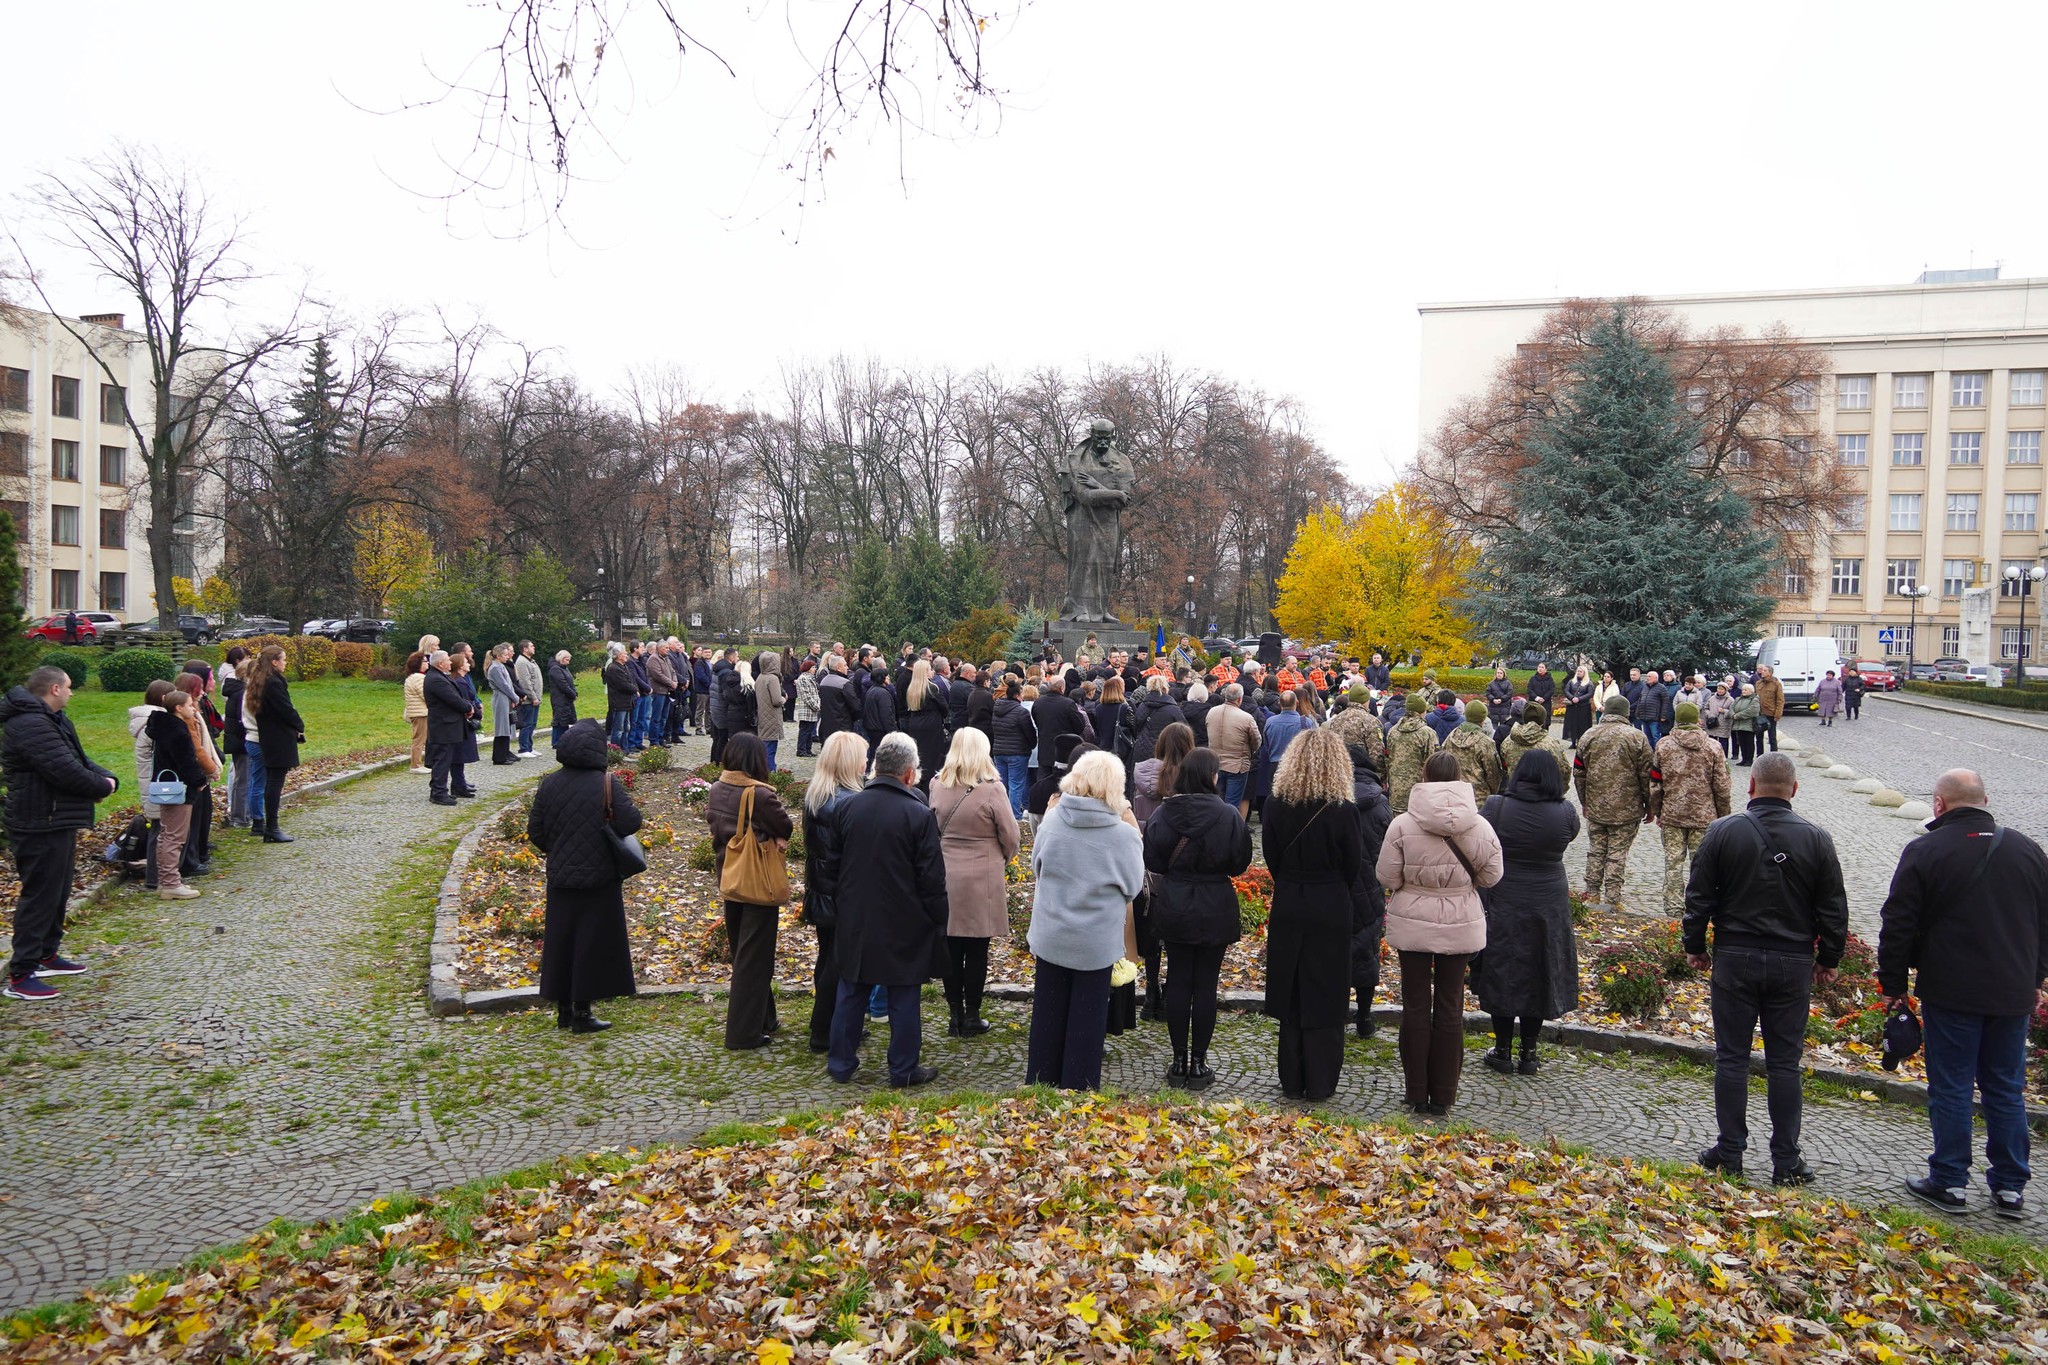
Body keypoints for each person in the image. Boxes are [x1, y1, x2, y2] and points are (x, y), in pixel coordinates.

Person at [1877, 769, 2048, 1218]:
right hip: (2012, 992)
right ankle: (2010, 1188)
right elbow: (2045, 924)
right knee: (2006, 1088)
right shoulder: (2028, 850)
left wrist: (1893, 985)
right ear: (1985, 801)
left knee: (1951, 1086)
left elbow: (1898, 922)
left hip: (1951, 990)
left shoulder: (1925, 850)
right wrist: (2036, 979)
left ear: (1938, 804)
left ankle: (1950, 1181)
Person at [1682, 752, 1848, 1185]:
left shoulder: (1722, 831)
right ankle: (1786, 1161)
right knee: (1785, 1063)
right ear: (1794, 789)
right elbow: (1833, 908)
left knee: (1732, 1058)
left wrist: (1695, 946)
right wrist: (1829, 958)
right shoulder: (1817, 838)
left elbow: (1698, 896)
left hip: (1735, 955)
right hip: (1792, 961)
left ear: (1751, 785)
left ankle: (1730, 1152)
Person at [1378, 750, 1503, 1115]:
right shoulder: (1480, 826)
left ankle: (1416, 1091)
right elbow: (1492, 876)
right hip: (1461, 920)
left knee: (1416, 1005)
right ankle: (1444, 1095)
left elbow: (1387, 877)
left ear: (1425, 776)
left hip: (1413, 920)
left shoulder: (1402, 825)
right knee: (1451, 1006)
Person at [827, 732, 948, 1088]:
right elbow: (931, 878)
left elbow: (831, 866)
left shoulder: (848, 807)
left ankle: (840, 1063)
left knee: (852, 991)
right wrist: (939, 918)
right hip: (905, 920)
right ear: (910, 774)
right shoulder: (918, 815)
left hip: (856, 916)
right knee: (904, 996)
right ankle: (903, 1068)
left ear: (876, 767)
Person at [1026, 750, 1145, 1091]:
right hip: (1095, 942)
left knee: (1047, 1015)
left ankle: (1040, 1088)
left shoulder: (1051, 822)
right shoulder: (1123, 835)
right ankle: (1078, 1094)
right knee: (1087, 1021)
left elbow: (1037, 868)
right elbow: (1132, 887)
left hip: (1051, 934)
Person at [2, 666, 119, 1001]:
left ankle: (46, 953)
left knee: (58, 890)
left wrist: (108, 779)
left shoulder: (52, 720)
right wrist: (100, 786)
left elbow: (78, 759)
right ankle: (21, 974)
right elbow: (63, 770)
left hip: (57, 819)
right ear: (54, 689)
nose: (72, 692)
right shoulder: (30, 724)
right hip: (39, 821)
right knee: (41, 895)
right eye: (68, 687)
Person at [1142, 748, 1251, 1087]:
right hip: (1214, 902)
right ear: (1212, 776)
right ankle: (1199, 1063)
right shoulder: (1228, 815)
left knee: (1177, 980)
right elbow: (1240, 862)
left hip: (1175, 900)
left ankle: (1178, 1062)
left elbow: (1152, 860)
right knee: (1205, 984)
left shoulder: (1164, 813)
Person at [527, 717, 641, 1034]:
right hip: (599, 877)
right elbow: (631, 822)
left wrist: (559, 851)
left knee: (561, 942)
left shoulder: (549, 783)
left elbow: (536, 831)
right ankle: (582, 1012)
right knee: (590, 944)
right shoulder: (606, 783)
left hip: (561, 877)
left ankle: (563, 1010)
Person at [1474, 750, 1580, 1076]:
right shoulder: (1566, 812)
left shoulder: (1496, 807)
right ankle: (1530, 1051)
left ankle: (1503, 1049)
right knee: (1541, 967)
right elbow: (1571, 836)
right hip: (1549, 901)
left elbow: (1480, 837)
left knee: (1503, 968)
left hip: (1504, 896)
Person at [930, 727, 1020, 1038]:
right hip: (983, 873)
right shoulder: (993, 789)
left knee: (952, 946)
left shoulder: (937, 784)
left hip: (947, 872)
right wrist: (1001, 858)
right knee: (978, 948)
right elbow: (1011, 836)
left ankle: (954, 1014)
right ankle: (972, 1015)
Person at [706, 733, 793, 1050]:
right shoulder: (759, 794)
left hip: (730, 878)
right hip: (757, 882)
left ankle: (764, 1019)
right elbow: (785, 826)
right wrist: (775, 836)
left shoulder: (717, 788)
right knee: (754, 959)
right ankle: (742, 1034)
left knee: (745, 953)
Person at [802, 730, 869, 1052]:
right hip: (843, 894)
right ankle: (823, 1028)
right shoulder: (849, 801)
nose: (867, 762)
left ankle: (832, 1021)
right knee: (838, 962)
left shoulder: (817, 795)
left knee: (827, 957)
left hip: (822, 890)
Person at [1651, 701, 1732, 916]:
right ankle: (1699, 909)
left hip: (1673, 815)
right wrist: (1723, 816)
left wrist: (1658, 811)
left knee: (1673, 864)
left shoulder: (1663, 746)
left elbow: (1655, 784)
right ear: (1698, 719)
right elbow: (1722, 787)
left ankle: (1673, 910)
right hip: (1704, 817)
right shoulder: (1713, 747)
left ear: (1677, 719)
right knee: (1703, 867)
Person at [1573, 696, 1653, 909]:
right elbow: (1646, 775)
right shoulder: (1637, 737)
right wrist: (1650, 805)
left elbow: (1579, 773)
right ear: (1626, 713)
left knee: (1596, 850)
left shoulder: (1588, 735)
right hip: (1627, 808)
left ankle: (1591, 894)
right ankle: (1612, 899)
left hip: (1596, 805)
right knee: (1617, 854)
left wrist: (1584, 801)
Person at [144, 685, 207, 900]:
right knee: (174, 837)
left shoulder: (165, 727)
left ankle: (166, 881)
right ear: (178, 708)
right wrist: (199, 780)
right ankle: (171, 883)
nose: (193, 708)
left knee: (167, 835)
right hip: (179, 788)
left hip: (168, 787)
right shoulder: (177, 731)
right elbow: (186, 762)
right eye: (190, 705)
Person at [245, 645, 304, 843]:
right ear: (274, 662)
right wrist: (299, 724)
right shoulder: (273, 683)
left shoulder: (262, 680)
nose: (285, 663)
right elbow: (285, 709)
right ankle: (271, 827)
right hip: (277, 737)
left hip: (271, 736)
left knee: (272, 781)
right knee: (274, 782)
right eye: (283, 659)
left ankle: (271, 826)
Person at [423, 650, 472, 806]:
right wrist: (468, 707)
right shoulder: (436, 679)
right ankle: (438, 792)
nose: (451, 662)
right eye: (448, 660)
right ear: (440, 663)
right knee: (442, 760)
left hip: (446, 724)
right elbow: (453, 699)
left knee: (444, 758)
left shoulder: (439, 676)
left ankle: (440, 790)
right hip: (443, 726)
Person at [1205, 682, 1260, 817]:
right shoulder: (1246, 717)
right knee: (1232, 804)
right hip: (1237, 765)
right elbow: (1257, 741)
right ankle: (1229, 827)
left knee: (1216, 801)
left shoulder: (1211, 712)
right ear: (1240, 699)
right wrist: (1250, 750)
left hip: (1216, 763)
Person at [899, 659, 949, 790]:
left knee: (920, 755)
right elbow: (944, 707)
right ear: (925, 672)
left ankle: (919, 782)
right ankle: (931, 786)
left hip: (915, 723)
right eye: (930, 669)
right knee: (934, 757)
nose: (932, 672)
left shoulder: (912, 689)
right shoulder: (932, 688)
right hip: (931, 725)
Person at [1385, 697, 1440, 816]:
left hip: (1395, 790)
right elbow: (1433, 765)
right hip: (1419, 793)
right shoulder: (1427, 733)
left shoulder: (1393, 731)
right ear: (1422, 711)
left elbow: (1388, 758)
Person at [1499, 700, 1570, 788]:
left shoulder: (1508, 742)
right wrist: (1559, 791)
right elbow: (1563, 770)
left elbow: (1503, 768)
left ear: (1524, 718)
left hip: (1515, 790)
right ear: (1543, 720)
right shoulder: (1552, 744)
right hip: (1544, 792)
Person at [219, 647, 253, 826]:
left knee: (244, 778)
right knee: (243, 779)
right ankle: (240, 816)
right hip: (242, 740)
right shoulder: (241, 694)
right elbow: (243, 719)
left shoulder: (238, 692)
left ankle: (244, 814)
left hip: (240, 739)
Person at [1444, 699, 1505, 799]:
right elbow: (1493, 775)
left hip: (1454, 794)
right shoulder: (1485, 742)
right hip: (1478, 797)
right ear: (1483, 719)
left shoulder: (1451, 736)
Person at [450, 649, 484, 787]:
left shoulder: (461, 679)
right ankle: (458, 783)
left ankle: (460, 781)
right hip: (463, 721)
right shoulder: (460, 682)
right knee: (460, 754)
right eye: (465, 662)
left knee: (460, 754)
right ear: (459, 666)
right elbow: (465, 700)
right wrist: (476, 711)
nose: (469, 664)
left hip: (463, 719)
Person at [486, 643, 520, 766]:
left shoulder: (501, 666)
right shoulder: (495, 668)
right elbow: (504, 685)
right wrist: (515, 697)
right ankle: (499, 757)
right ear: (498, 656)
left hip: (506, 698)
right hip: (501, 698)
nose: (507, 657)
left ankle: (505, 753)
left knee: (506, 726)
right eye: (505, 655)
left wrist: (512, 699)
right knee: (501, 727)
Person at [602, 644, 638, 753]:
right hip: (619, 703)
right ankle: (615, 752)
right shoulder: (614, 668)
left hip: (626, 702)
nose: (627, 654)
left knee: (626, 728)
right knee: (618, 729)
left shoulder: (623, 666)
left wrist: (634, 687)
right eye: (624, 653)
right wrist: (635, 689)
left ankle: (625, 750)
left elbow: (631, 680)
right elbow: (624, 685)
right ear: (618, 655)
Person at [514, 641, 545, 758]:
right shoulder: (522, 662)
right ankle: (523, 748)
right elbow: (525, 682)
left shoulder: (530, 661)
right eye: (531, 646)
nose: (534, 647)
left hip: (535, 699)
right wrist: (533, 697)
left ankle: (529, 747)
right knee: (527, 724)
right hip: (529, 700)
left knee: (532, 724)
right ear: (525, 649)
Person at [403, 650, 431, 773]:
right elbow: (426, 695)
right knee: (419, 739)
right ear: (418, 663)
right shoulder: (419, 678)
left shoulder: (412, 677)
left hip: (417, 711)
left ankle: (418, 764)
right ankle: (416, 765)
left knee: (419, 738)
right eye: (425, 661)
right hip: (420, 713)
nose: (427, 663)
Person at [547, 649, 578, 748]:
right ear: (561, 658)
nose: (568, 662)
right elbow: (563, 684)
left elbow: (570, 682)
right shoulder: (555, 669)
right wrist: (572, 694)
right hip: (560, 699)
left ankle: (564, 740)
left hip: (567, 699)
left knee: (566, 720)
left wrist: (574, 692)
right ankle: (556, 742)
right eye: (567, 659)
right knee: (559, 720)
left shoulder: (564, 668)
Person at [1560, 666, 1596, 746]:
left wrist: (1579, 699)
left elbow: (1590, 693)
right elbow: (1566, 690)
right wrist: (1572, 698)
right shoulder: (1571, 681)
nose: (1578, 673)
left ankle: (1581, 741)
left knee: (1582, 725)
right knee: (1572, 724)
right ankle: (1573, 741)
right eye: (1578, 671)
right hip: (1572, 707)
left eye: (1580, 671)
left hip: (1583, 707)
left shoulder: (1588, 682)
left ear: (1584, 673)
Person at [794, 657, 821, 758]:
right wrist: (816, 706)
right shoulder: (803, 679)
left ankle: (808, 749)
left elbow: (815, 693)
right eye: (813, 667)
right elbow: (806, 695)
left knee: (810, 731)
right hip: (806, 709)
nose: (815, 669)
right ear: (808, 668)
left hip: (812, 709)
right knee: (804, 731)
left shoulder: (810, 678)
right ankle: (801, 750)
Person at [1754, 664, 1784, 753]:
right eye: (1762, 670)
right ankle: (1760, 755)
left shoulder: (1776, 684)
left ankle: (1773, 755)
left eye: (1765, 670)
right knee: (1759, 736)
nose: (1762, 672)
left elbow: (1780, 700)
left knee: (1772, 737)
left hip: (1770, 713)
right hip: (1759, 713)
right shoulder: (1758, 683)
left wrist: (1778, 714)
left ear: (1770, 673)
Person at [1702, 680, 1735, 755]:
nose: (1719, 690)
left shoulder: (1730, 700)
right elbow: (1706, 708)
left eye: (1721, 689)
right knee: (1712, 741)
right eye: (1718, 688)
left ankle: (1723, 757)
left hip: (1723, 724)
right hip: (1712, 722)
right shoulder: (1712, 698)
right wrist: (1709, 714)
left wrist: (1724, 711)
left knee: (1723, 742)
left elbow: (1732, 711)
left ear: (1725, 690)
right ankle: (1712, 756)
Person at [1732, 682, 1761, 767]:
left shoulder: (1754, 699)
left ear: (1751, 691)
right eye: (1743, 690)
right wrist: (1732, 715)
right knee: (1741, 742)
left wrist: (1738, 716)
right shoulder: (1738, 699)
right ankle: (1744, 759)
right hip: (1738, 724)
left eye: (1746, 690)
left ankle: (1749, 760)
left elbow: (1752, 711)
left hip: (1749, 725)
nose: (1743, 691)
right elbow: (1732, 708)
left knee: (1749, 743)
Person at [1484, 667, 1515, 731]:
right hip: (1493, 709)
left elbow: (1509, 693)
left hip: (1504, 708)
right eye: (1498, 673)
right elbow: (1488, 693)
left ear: (1504, 674)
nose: (1499, 674)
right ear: (1496, 674)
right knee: (1493, 728)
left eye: (1501, 673)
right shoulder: (1491, 684)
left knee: (1503, 728)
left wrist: (1501, 699)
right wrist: (1493, 699)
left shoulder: (1508, 683)